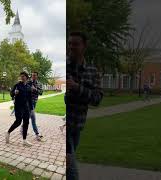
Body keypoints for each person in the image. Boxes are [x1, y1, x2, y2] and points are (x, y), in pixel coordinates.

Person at [67, 32, 103, 180]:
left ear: (84, 46)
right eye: (69, 44)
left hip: (78, 126)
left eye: (75, 44)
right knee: (72, 172)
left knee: (68, 167)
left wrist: (77, 88)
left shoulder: (92, 71)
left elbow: (97, 99)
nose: (71, 47)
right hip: (66, 126)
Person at [5, 71, 33, 147]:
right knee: (18, 122)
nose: (22, 77)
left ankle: (24, 140)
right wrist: (14, 92)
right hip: (18, 106)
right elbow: (11, 94)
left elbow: (30, 99)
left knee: (26, 122)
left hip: (26, 107)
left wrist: (31, 109)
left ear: (26, 77)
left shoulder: (28, 87)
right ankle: (8, 132)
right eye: (21, 76)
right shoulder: (17, 85)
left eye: (23, 76)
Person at [26, 72, 44, 141]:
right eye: (32, 75)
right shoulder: (28, 82)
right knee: (33, 117)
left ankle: (22, 128)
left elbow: (41, 92)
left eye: (34, 75)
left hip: (35, 102)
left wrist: (35, 89)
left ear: (37, 76)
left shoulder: (39, 84)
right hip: (28, 102)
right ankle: (37, 134)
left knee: (29, 116)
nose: (33, 76)